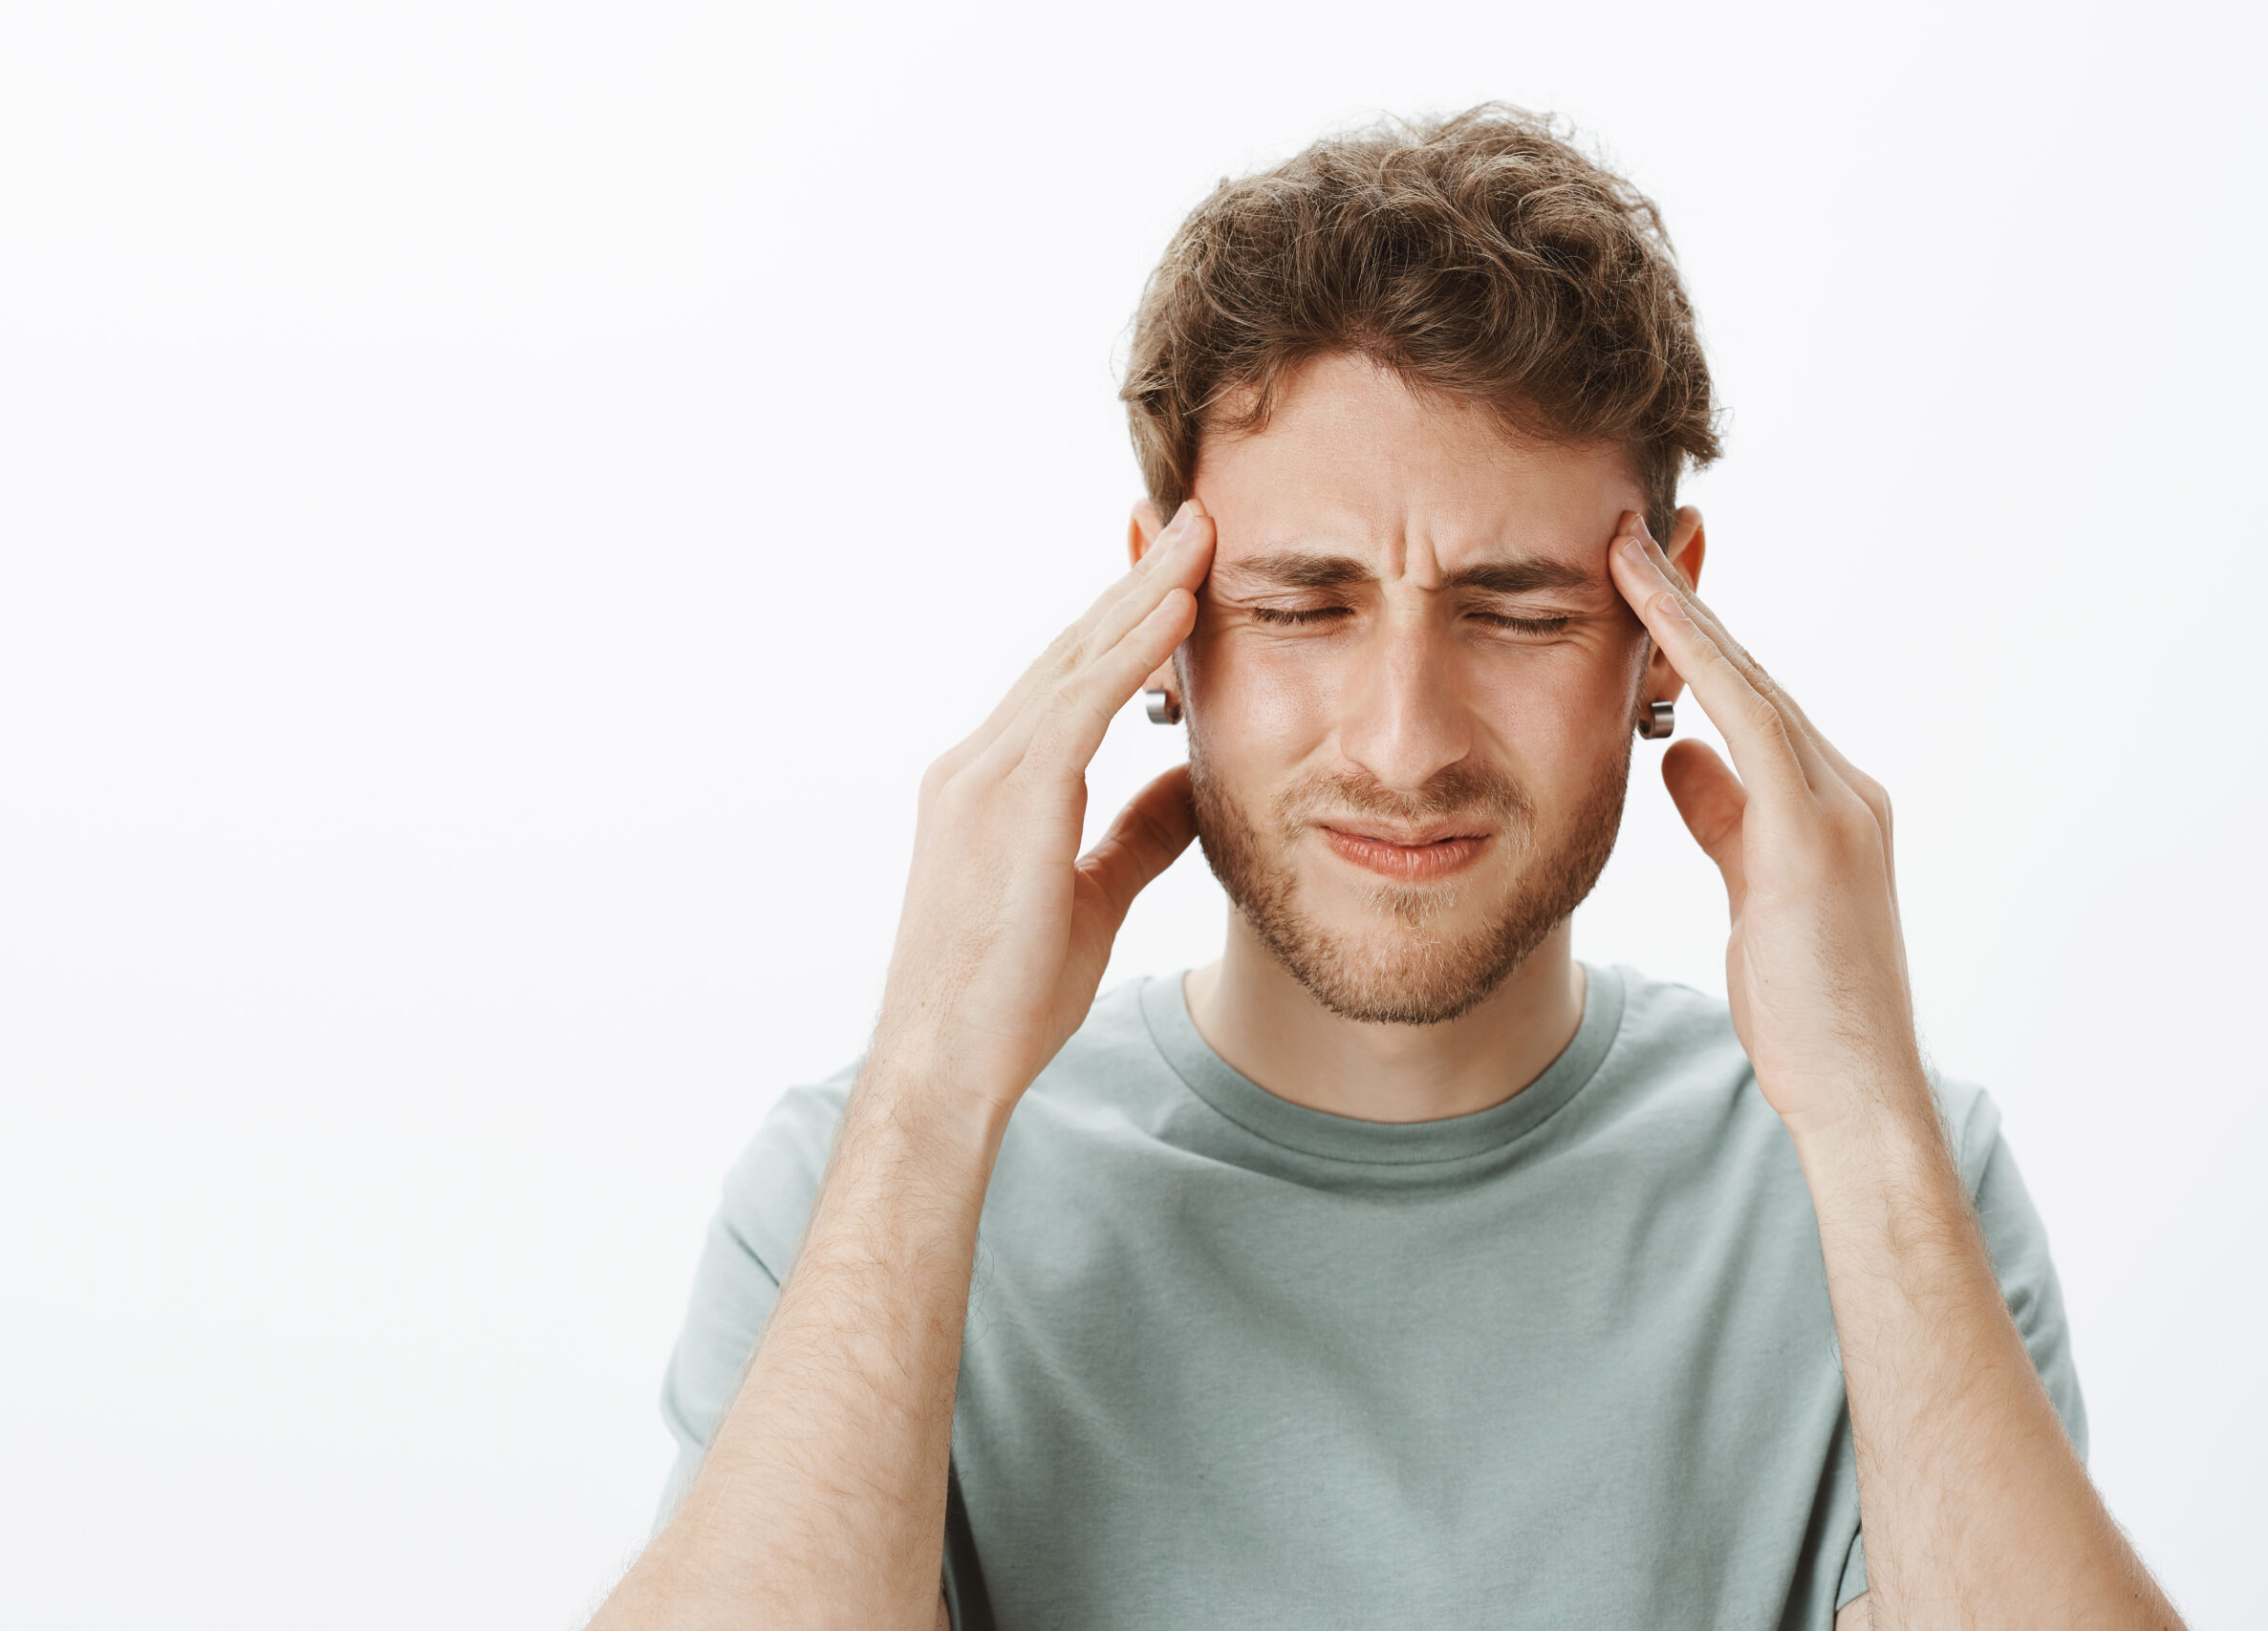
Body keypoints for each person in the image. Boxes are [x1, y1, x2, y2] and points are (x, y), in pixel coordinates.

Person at [592, 108, 2182, 1630]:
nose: (1407, 743)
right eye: (1303, 606)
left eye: (1519, 612)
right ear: (1153, 615)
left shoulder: (1891, 1188)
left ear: (1666, 631)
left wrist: (1869, 1124)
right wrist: (935, 1091)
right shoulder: (858, 1188)